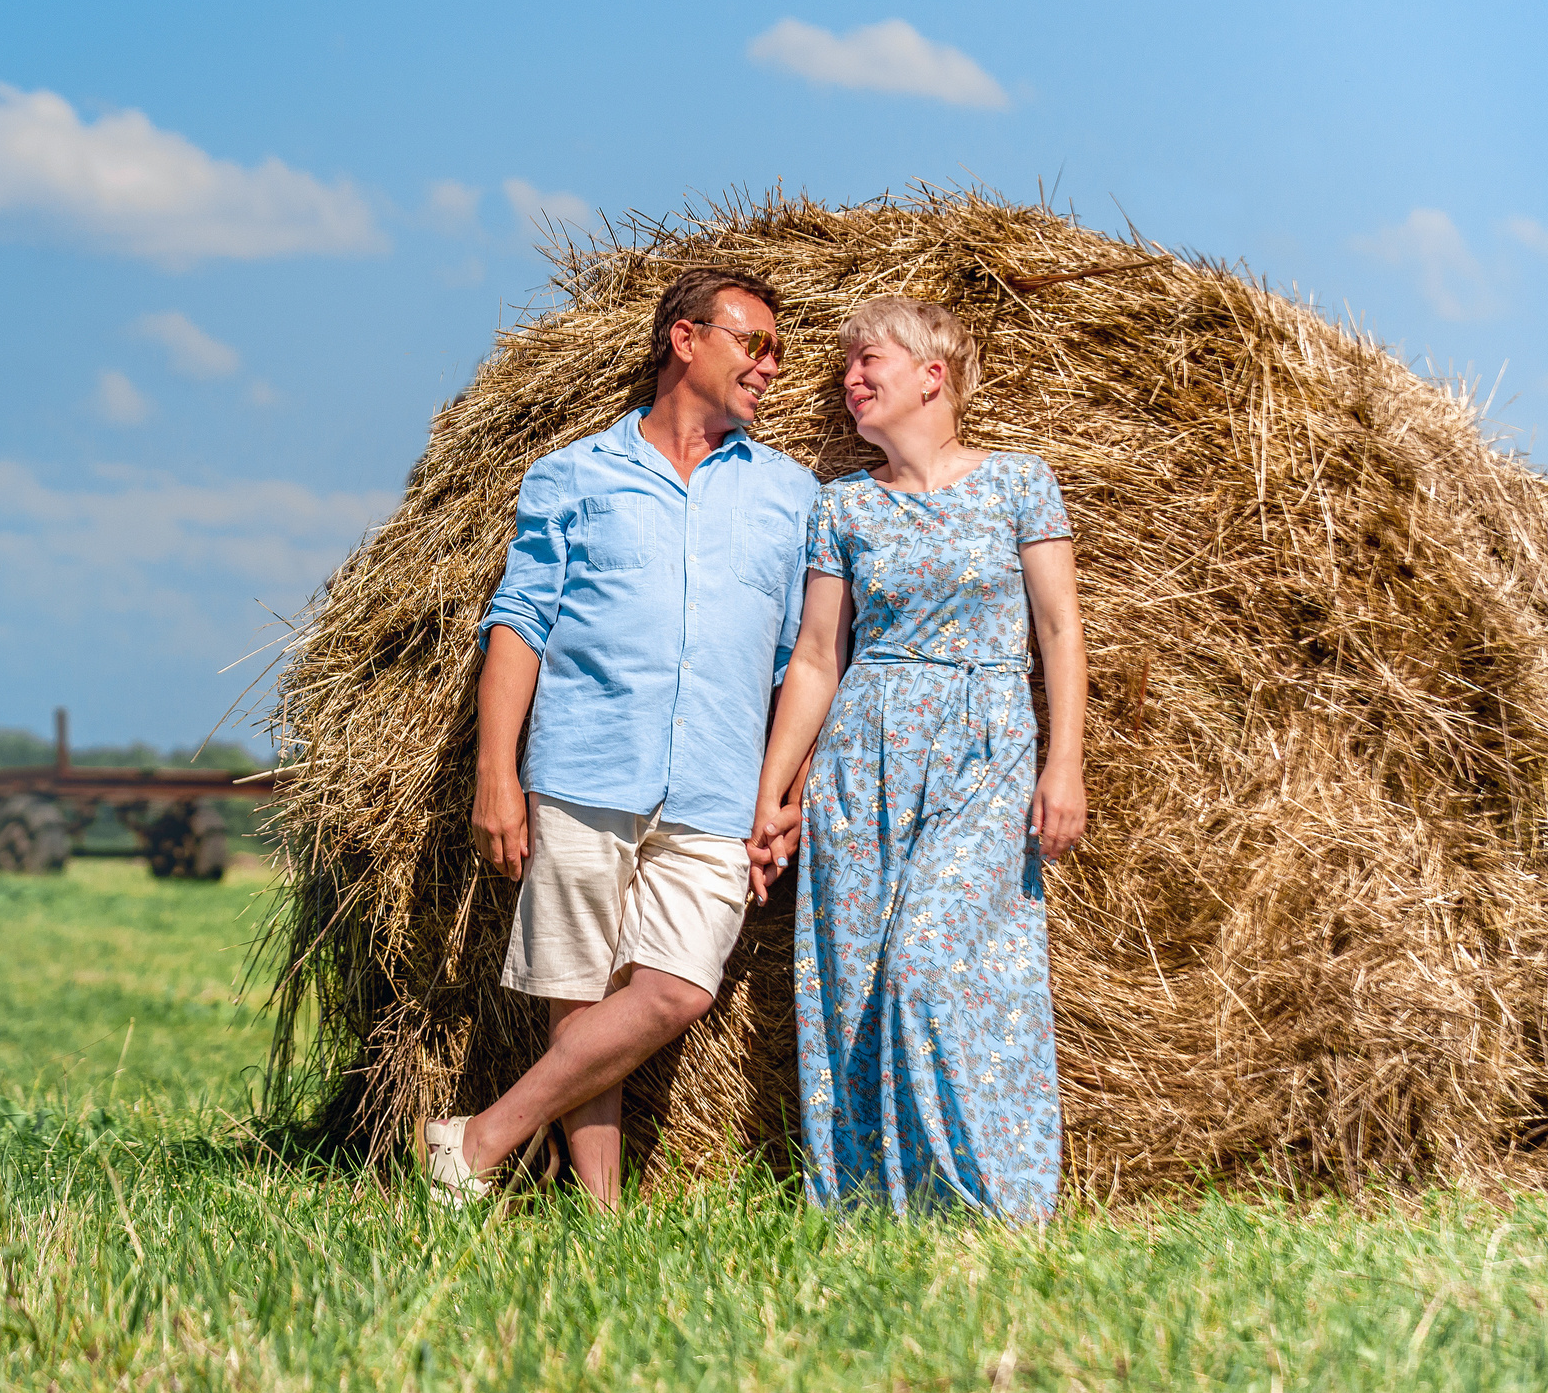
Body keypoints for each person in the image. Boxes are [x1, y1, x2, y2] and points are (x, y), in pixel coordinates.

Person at [422, 266, 818, 1210]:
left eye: (778, 350)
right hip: (583, 766)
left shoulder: (793, 494)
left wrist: (785, 792)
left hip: (719, 785)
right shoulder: (573, 475)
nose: (771, 365)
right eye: (754, 343)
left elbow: (802, 661)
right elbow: (520, 624)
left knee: (680, 987)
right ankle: (600, 1218)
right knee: (580, 995)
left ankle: (476, 1140)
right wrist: (496, 773)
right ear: (686, 339)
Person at [750, 295, 1087, 1220]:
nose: (849, 378)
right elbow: (817, 659)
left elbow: (1059, 629)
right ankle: (880, 1211)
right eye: (846, 366)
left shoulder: (1019, 482)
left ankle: (997, 1202)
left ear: (933, 375)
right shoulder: (843, 505)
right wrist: (772, 793)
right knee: (857, 982)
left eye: (870, 361)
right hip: (864, 760)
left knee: (925, 966)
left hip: (984, 754)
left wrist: (1065, 762)